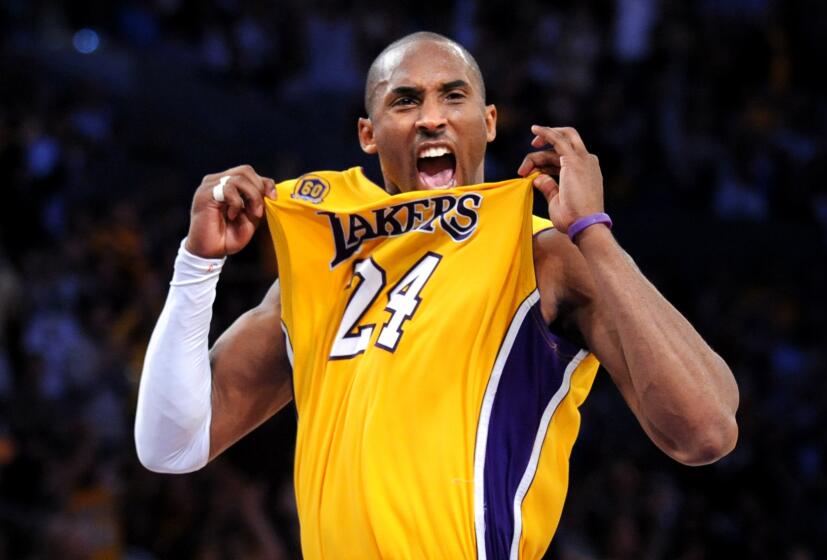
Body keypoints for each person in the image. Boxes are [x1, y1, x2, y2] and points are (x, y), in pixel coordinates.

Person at [135, 32, 739, 559]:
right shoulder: (321, 267)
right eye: (406, 100)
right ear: (369, 136)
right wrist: (196, 265)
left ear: (490, 122)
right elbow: (171, 445)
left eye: (454, 96)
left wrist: (592, 234)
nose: (431, 118)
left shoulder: (541, 255)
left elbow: (706, 431)